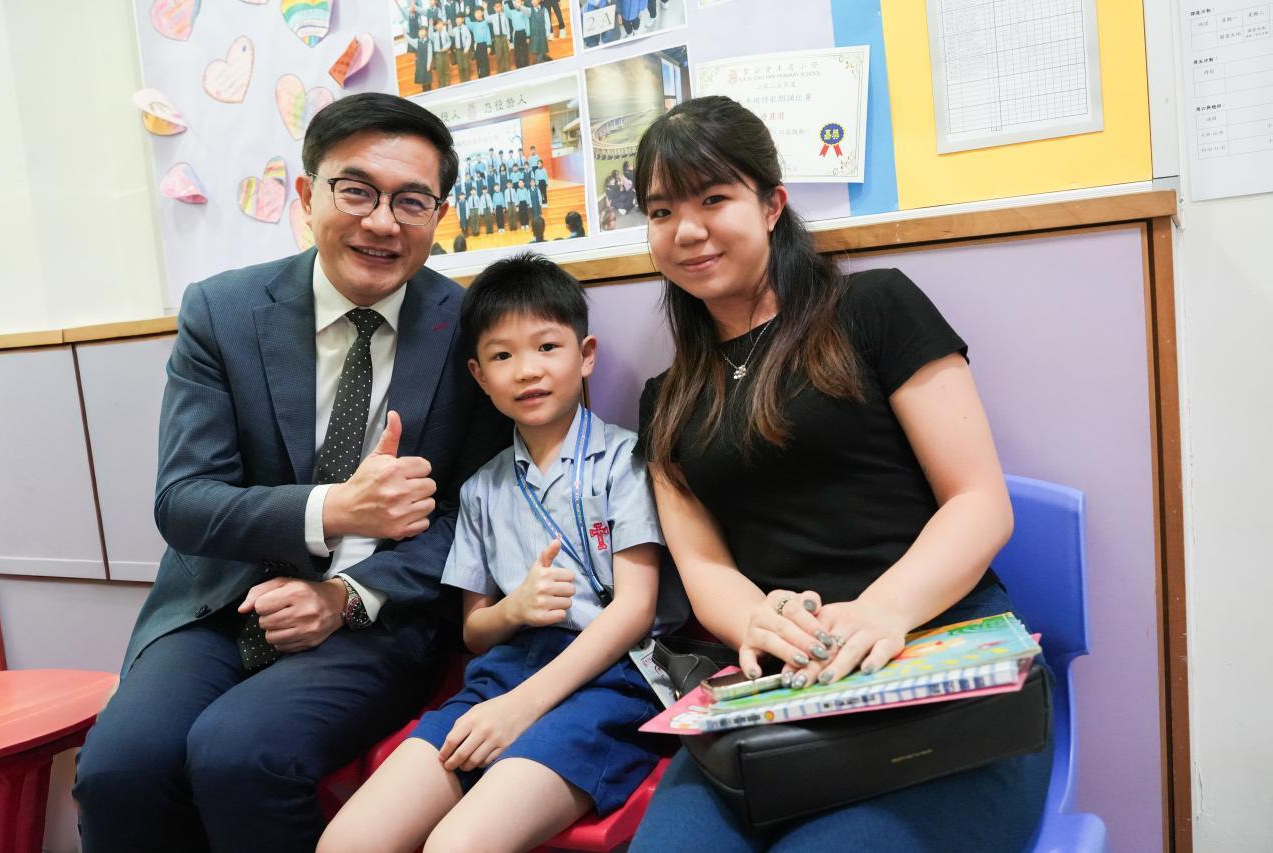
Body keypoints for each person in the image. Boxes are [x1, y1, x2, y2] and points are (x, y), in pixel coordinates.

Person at [72, 93, 510, 853]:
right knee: (119, 771)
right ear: (308, 196)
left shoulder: (469, 327)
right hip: (223, 602)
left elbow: (476, 516)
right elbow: (184, 501)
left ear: (439, 215)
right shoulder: (223, 311)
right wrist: (336, 510)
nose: (382, 222)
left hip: (378, 614)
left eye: (412, 201)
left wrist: (343, 596)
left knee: (240, 754)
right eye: (357, 191)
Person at [627, 95, 1054, 851]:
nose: (686, 230)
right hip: (782, 685)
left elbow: (979, 502)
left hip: (937, 655)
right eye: (662, 211)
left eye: (713, 198)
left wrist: (884, 609)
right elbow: (704, 565)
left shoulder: (875, 306)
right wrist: (755, 621)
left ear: (771, 205)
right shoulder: (667, 397)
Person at [319, 253, 671, 853]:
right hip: (503, 675)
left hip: (611, 679)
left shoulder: (626, 461)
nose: (527, 370)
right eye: (503, 356)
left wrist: (521, 708)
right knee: (347, 842)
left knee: (456, 846)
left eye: (547, 347)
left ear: (585, 355)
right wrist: (516, 609)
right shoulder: (482, 487)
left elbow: (635, 611)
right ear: (479, 376)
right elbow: (476, 632)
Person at [468, 6, 492, 77]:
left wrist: (489, 46)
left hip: (485, 45)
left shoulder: (485, 23)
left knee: (485, 61)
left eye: (479, 13)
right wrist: (467, 14)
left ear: (482, 13)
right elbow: (467, 23)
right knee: (479, 62)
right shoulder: (473, 25)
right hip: (478, 46)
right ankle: (481, 77)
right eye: (476, 13)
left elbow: (488, 34)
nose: (477, 15)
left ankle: (487, 76)